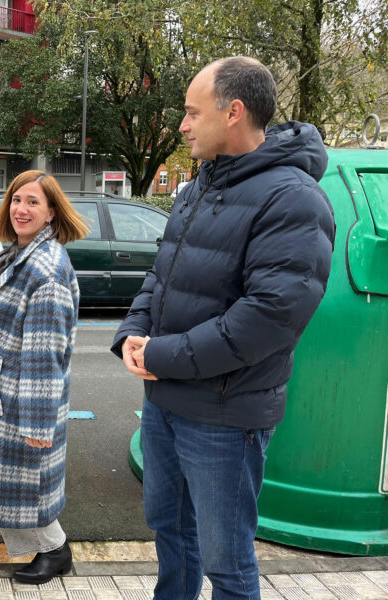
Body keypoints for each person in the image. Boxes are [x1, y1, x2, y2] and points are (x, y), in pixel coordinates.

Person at [111, 57, 335, 599]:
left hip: (225, 419)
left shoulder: (293, 199)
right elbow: (160, 276)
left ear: (233, 112)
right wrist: (132, 334)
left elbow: (268, 318)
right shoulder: (196, 188)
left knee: (227, 564)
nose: (182, 125)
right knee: (171, 534)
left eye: (191, 112)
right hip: (166, 404)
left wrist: (159, 355)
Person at [0, 171, 89, 584]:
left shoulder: (45, 271)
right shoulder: (19, 251)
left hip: (24, 397)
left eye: (33, 202)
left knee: (28, 480)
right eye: (16, 200)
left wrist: (36, 423)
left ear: (50, 213)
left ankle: (54, 548)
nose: (21, 209)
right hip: (2, 388)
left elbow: (45, 355)